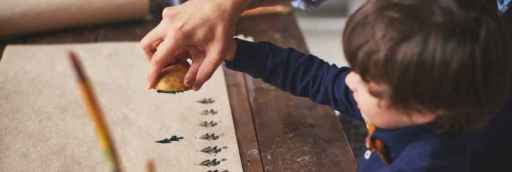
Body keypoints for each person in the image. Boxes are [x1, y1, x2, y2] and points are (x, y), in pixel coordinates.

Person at [141, 0, 512, 171]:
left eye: (368, 82)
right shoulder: (407, 103)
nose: (350, 79)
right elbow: (314, 77)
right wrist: (234, 51)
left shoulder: (426, 164)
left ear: (423, 109)